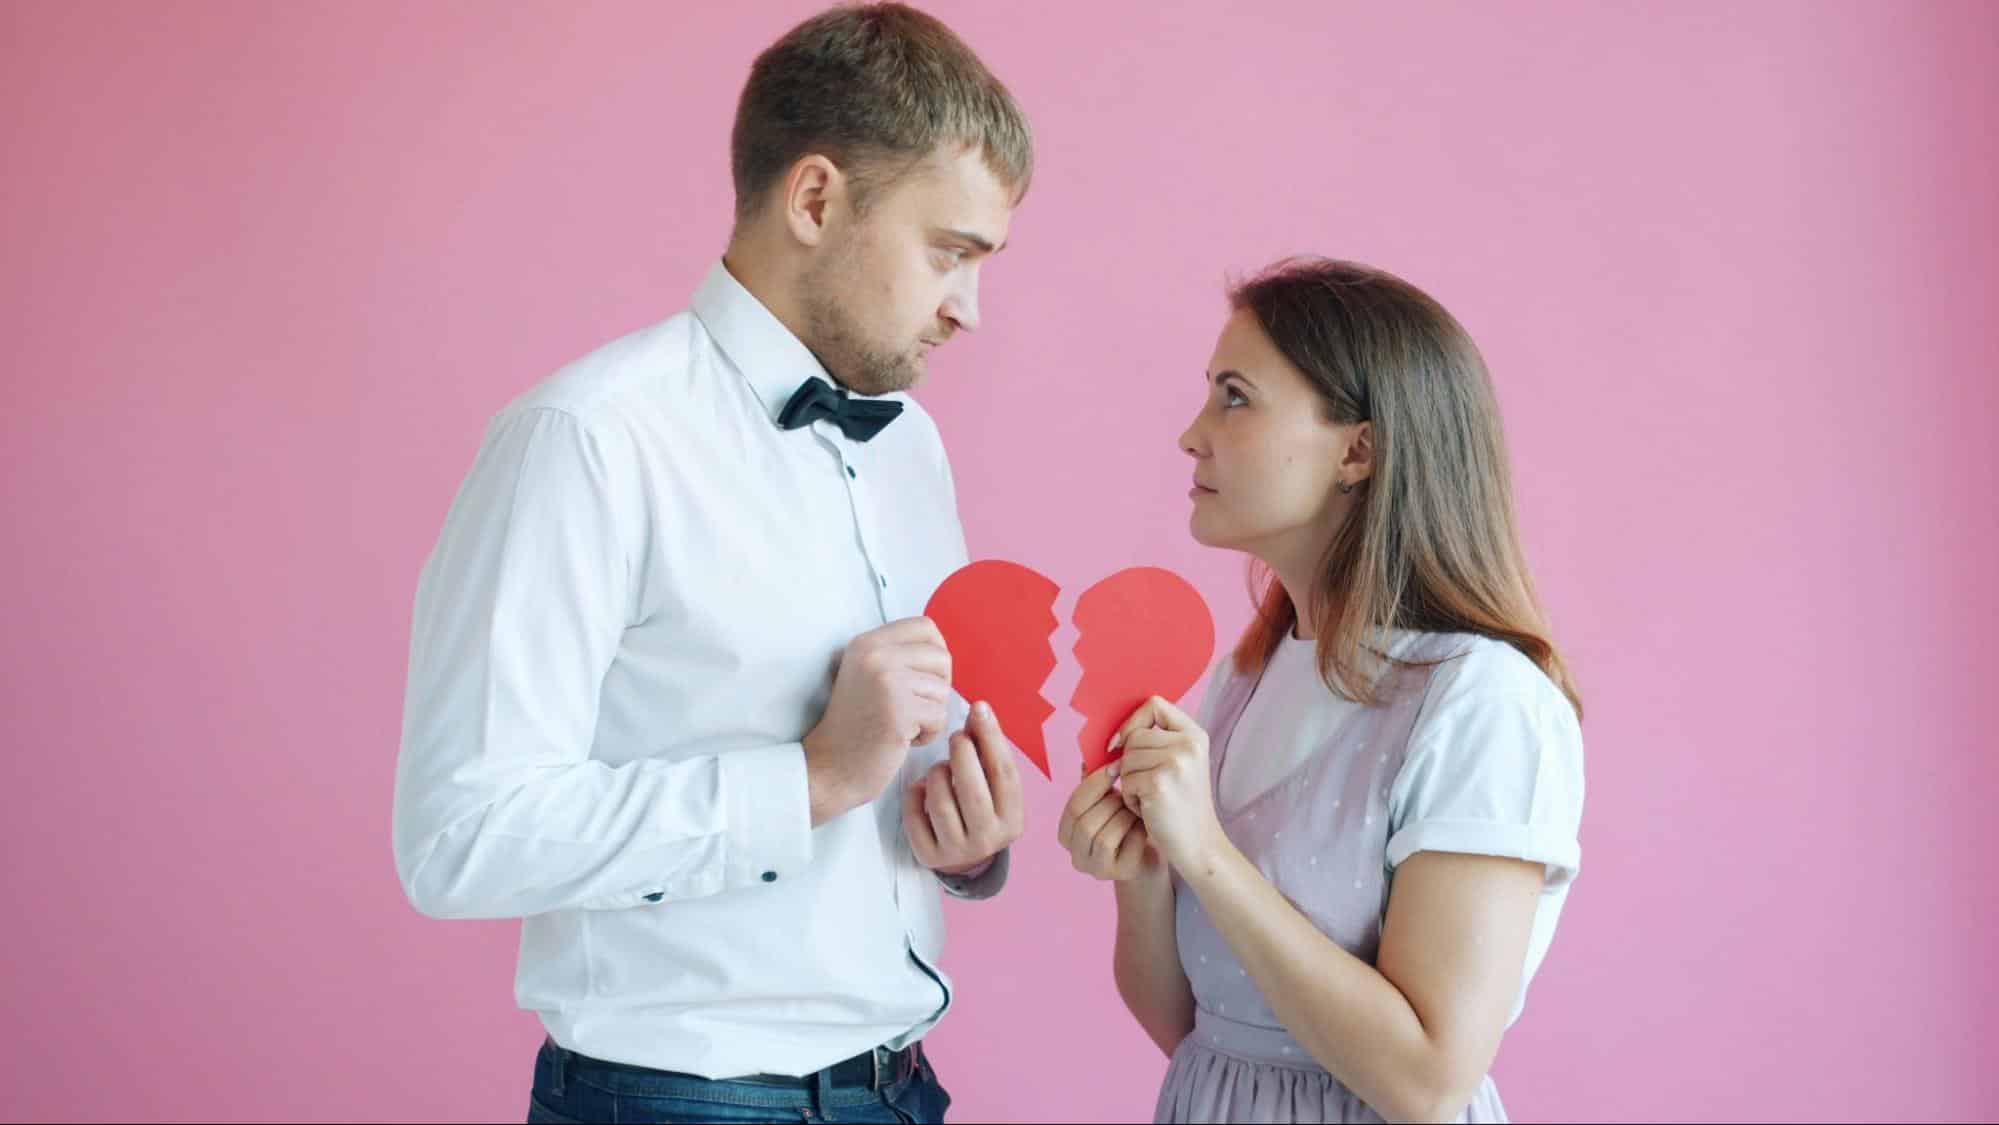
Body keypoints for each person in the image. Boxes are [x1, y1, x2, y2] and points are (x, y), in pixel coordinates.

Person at [391, 6, 1034, 1122]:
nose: (967, 310)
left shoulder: (909, 448)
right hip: (676, 1101)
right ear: (817, 199)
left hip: (904, 1085)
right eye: (949, 252)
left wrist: (961, 845)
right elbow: (460, 839)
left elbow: (883, 793)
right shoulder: (588, 441)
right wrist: (811, 780)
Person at [1058, 257, 1586, 1123]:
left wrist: (1205, 854)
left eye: (1234, 395)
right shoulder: (1240, 681)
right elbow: (1195, 1029)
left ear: (1358, 449)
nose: (1192, 435)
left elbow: (1426, 1079)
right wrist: (1142, 873)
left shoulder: (1483, 703)